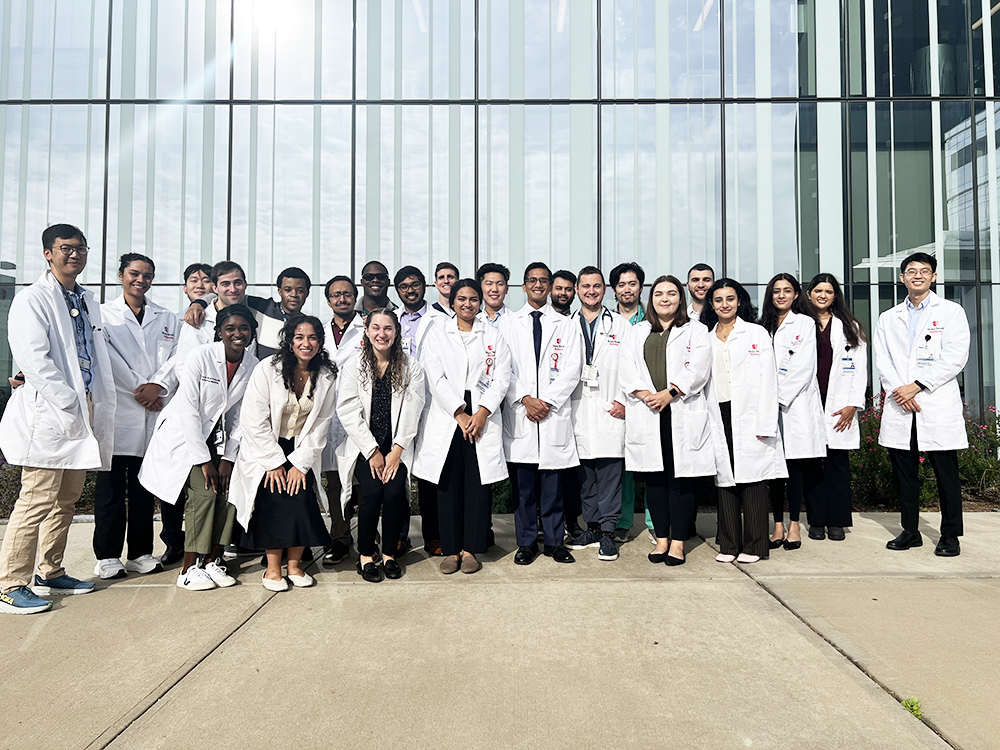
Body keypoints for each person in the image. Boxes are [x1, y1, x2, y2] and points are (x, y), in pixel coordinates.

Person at [0, 224, 115, 614]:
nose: (75, 255)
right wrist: (68, 400)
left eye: (81, 248)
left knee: (66, 499)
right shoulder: (32, 299)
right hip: (53, 410)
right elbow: (34, 360)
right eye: (66, 248)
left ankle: (50, 571)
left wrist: (87, 401)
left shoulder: (86, 300)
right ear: (48, 253)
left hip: (84, 406)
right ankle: (10, 583)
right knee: (35, 500)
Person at [139, 305, 259, 591]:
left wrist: (229, 457)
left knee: (229, 492)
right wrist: (204, 461)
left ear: (253, 333)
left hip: (222, 439)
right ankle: (189, 567)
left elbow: (243, 414)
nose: (237, 334)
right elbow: (189, 410)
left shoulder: (252, 365)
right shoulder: (200, 357)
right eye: (230, 328)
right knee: (205, 495)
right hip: (188, 438)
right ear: (219, 332)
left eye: (244, 328)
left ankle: (213, 561)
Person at [229, 316, 338, 591]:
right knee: (273, 498)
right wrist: (274, 462)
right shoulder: (268, 369)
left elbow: (321, 423)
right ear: (290, 341)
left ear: (320, 342)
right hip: (266, 447)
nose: (306, 343)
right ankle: (272, 569)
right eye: (299, 337)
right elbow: (253, 419)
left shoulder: (326, 375)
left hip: (301, 449)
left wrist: (300, 464)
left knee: (301, 500)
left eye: (312, 337)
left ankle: (295, 565)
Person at [875, 252, 970, 557]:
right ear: (901, 278)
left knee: (946, 474)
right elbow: (883, 361)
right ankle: (910, 531)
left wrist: (917, 386)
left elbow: (955, 356)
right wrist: (900, 392)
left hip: (934, 401)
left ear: (933, 277)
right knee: (905, 475)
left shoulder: (951, 312)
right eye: (911, 271)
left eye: (924, 271)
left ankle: (950, 535)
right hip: (901, 405)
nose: (918, 275)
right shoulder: (888, 318)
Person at [413, 280, 511, 574]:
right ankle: (451, 548)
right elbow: (435, 375)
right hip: (449, 414)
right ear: (452, 302)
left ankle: (471, 549)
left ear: (480, 303)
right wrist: (459, 413)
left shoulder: (494, 335)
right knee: (448, 483)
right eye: (461, 299)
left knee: (478, 484)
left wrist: (481, 413)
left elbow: (502, 377)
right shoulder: (437, 333)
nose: (467, 304)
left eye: (472, 299)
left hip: (482, 413)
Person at [619, 276, 717, 566]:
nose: (665, 298)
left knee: (680, 482)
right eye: (659, 293)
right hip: (649, 412)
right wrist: (647, 395)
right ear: (651, 299)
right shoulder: (637, 332)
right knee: (655, 482)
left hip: (680, 412)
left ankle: (677, 543)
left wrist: (670, 393)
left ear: (680, 298)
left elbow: (699, 369)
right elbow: (626, 369)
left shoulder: (696, 330)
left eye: (671, 293)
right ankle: (661, 539)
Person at [93, 253, 179, 580]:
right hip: (120, 410)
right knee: (111, 491)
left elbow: (177, 358)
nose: (140, 280)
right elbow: (106, 356)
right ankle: (107, 556)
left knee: (144, 490)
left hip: (154, 411)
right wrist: (140, 388)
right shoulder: (103, 315)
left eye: (147, 275)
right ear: (120, 275)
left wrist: (158, 385)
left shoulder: (168, 317)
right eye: (134, 273)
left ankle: (141, 552)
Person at [500, 263, 583, 566]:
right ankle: (525, 543)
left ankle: (553, 541)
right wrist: (525, 398)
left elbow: (573, 369)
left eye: (543, 281)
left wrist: (545, 401)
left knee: (552, 488)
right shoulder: (508, 325)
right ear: (523, 286)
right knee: (523, 491)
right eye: (532, 280)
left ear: (550, 286)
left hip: (550, 416)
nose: (538, 285)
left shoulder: (566, 324)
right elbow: (502, 369)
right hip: (522, 415)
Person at [336, 309, 425, 582]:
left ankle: (389, 554)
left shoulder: (411, 367)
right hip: (364, 447)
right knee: (373, 493)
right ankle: (365, 555)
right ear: (367, 331)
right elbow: (348, 410)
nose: (381, 334)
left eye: (387, 328)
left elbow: (413, 410)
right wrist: (373, 452)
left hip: (396, 448)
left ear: (396, 333)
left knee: (395, 492)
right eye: (376, 328)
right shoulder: (354, 366)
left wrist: (396, 452)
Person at [702, 279, 787, 564]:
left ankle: (754, 545)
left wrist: (766, 422)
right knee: (725, 479)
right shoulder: (706, 336)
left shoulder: (756, 333)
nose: (724, 304)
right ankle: (728, 544)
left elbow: (769, 381)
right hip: (719, 412)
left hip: (750, 413)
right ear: (711, 305)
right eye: (718, 300)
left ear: (739, 301)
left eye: (730, 298)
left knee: (753, 481)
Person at [566, 267, 629, 562]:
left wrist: (623, 401)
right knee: (586, 477)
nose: (591, 291)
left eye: (597, 286)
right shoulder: (565, 324)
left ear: (605, 289)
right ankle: (591, 527)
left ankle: (608, 533)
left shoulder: (620, 324)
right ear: (577, 289)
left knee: (609, 474)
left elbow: (632, 367)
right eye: (585, 286)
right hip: (577, 409)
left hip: (609, 406)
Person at [760, 273, 826, 551]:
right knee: (774, 469)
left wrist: (778, 397)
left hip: (794, 404)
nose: (781, 296)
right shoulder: (762, 326)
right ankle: (777, 525)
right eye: (776, 291)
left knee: (794, 468)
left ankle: (795, 524)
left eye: (787, 291)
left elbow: (804, 367)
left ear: (796, 295)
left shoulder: (805, 323)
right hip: (767, 405)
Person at [161, 263, 217, 565]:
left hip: (214, 413)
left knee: (207, 486)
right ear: (184, 288)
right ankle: (173, 541)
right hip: (184, 406)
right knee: (175, 484)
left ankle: (207, 546)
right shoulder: (185, 319)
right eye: (193, 281)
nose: (200, 284)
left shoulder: (211, 312)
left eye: (206, 280)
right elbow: (179, 365)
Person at [805, 273, 868, 541]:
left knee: (837, 465)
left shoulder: (848, 326)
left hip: (838, 403)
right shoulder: (800, 324)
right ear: (809, 294)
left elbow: (860, 370)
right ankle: (816, 521)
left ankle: (837, 522)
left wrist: (853, 404)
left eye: (828, 292)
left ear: (835, 296)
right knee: (811, 464)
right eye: (818, 290)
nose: (823, 295)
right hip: (807, 401)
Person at [319, 275, 367, 566]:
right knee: (334, 481)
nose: (342, 299)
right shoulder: (319, 332)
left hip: (358, 415)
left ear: (354, 297)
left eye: (347, 294)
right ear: (328, 300)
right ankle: (339, 539)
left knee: (363, 482)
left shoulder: (367, 329)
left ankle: (368, 539)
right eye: (336, 295)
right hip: (326, 416)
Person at [394, 265, 441, 556]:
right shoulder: (390, 320)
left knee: (428, 473)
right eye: (404, 286)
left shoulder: (441, 319)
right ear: (397, 291)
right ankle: (399, 535)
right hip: (397, 403)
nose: (410, 290)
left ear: (425, 286)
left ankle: (433, 536)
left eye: (415, 284)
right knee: (398, 471)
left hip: (432, 404)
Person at [608, 261, 648, 544]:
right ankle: (623, 521)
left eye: (632, 284)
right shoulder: (607, 322)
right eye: (621, 284)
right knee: (623, 469)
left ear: (640, 287)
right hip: (618, 406)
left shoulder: (653, 320)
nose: (627, 289)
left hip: (649, 403)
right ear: (614, 289)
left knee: (653, 466)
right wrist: (620, 401)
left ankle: (654, 520)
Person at [550, 269, 582, 538]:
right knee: (548, 474)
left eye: (568, 289)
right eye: (558, 288)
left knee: (571, 473)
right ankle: (547, 523)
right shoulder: (534, 321)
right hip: (545, 409)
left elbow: (573, 368)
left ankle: (572, 521)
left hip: (576, 405)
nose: (563, 293)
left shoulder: (575, 321)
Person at [477, 262, 511, 328]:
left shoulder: (516, 320)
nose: (494, 289)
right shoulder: (473, 321)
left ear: (507, 289)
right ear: (480, 288)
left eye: (500, 284)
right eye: (489, 284)